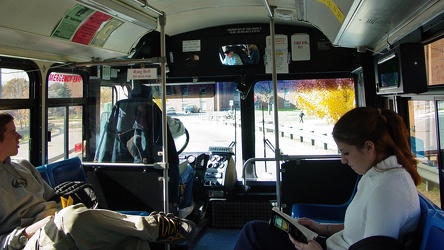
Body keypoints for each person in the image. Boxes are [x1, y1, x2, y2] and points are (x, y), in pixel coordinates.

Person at [234, 107, 421, 250]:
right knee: (256, 230)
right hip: (332, 244)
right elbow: (360, 229)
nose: (342, 160)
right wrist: (321, 229)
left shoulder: (388, 190)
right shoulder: (376, 175)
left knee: (253, 235)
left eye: (346, 152)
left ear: (369, 148)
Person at [0, 112, 196, 249]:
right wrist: (27, 233)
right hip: (30, 239)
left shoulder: (23, 166)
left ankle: (150, 229)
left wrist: (63, 207)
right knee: (72, 218)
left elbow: (52, 197)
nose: (19, 136)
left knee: (130, 241)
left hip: (56, 222)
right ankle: (156, 226)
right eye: (12, 132)